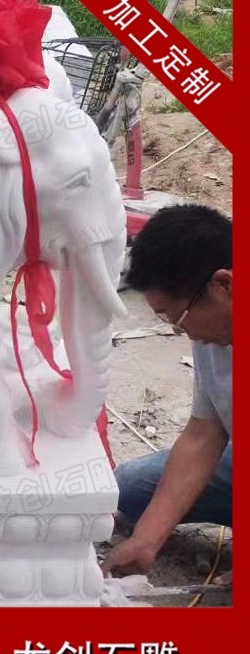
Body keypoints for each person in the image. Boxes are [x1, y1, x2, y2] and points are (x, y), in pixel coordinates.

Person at [103, 204, 232, 579]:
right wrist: (146, 540)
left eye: (179, 318)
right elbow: (204, 433)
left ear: (224, 285)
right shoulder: (215, 334)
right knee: (130, 490)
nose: (181, 331)